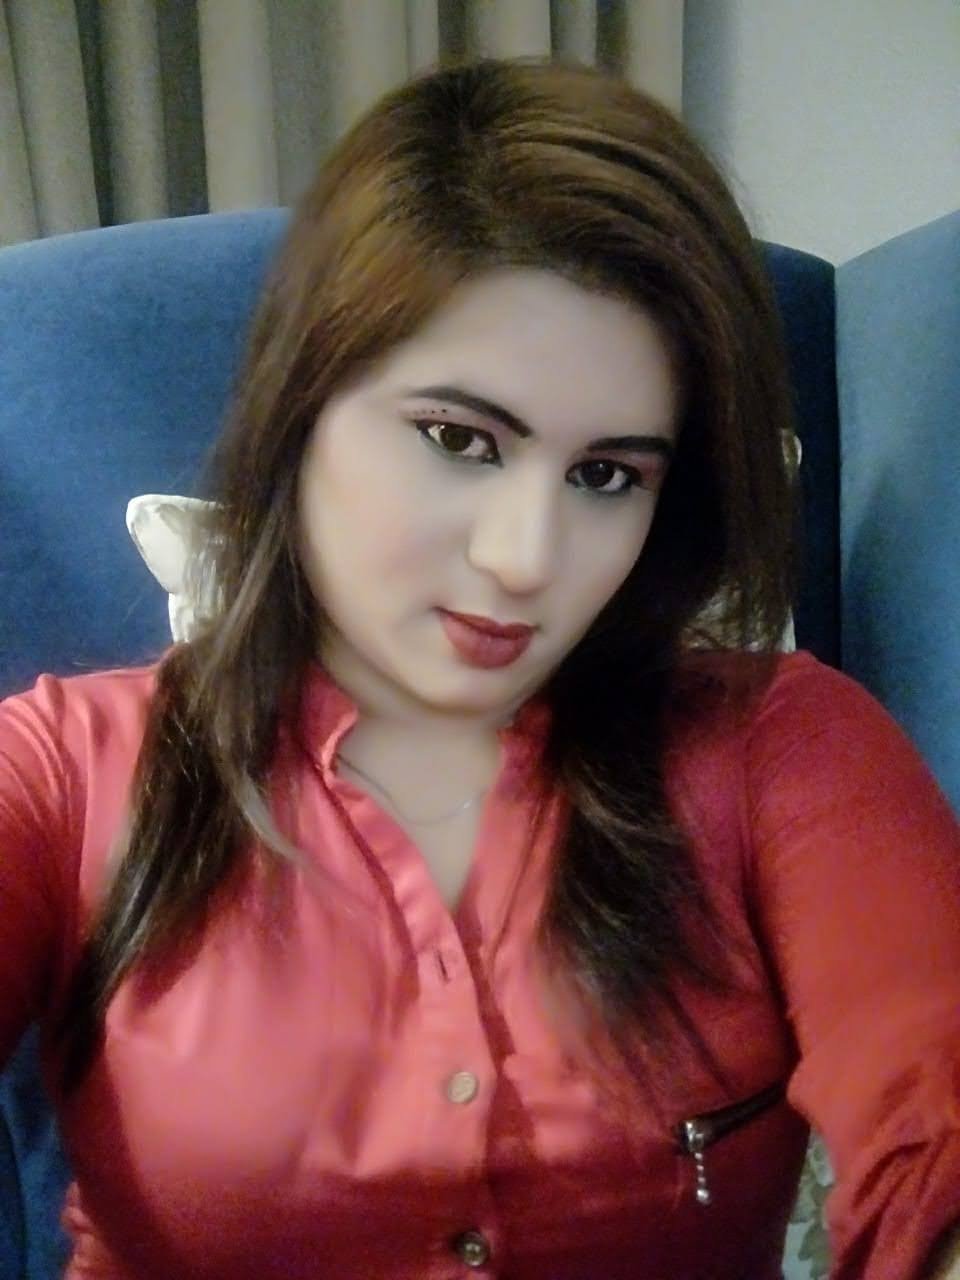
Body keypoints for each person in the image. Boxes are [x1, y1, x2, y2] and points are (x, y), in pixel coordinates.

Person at [1, 56, 958, 1280]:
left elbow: (928, 1095)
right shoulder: (68, 774)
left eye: (605, 474)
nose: (525, 559)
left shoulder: (782, 745)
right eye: (459, 439)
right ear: (302, 408)